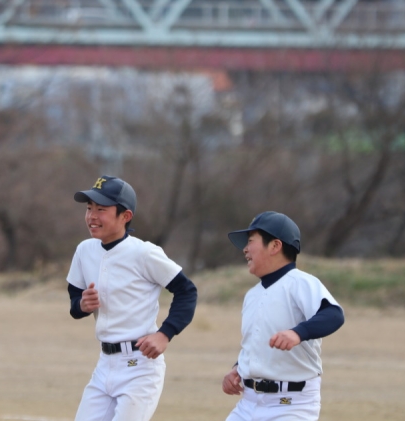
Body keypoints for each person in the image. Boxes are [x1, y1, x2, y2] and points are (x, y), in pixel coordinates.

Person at [67, 175, 197, 421]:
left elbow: (186, 290)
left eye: (101, 209)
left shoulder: (144, 253)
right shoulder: (84, 250)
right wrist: (82, 305)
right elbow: (74, 302)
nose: (92, 216)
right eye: (89, 208)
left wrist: (165, 333)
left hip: (140, 367)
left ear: (125, 216)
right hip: (105, 364)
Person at [222, 211, 345, 421]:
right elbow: (256, 343)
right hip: (248, 404)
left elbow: (333, 314)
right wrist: (239, 368)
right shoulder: (252, 294)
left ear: (275, 246)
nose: (245, 249)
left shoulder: (300, 282)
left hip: (292, 405)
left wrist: (298, 333)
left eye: (251, 241)